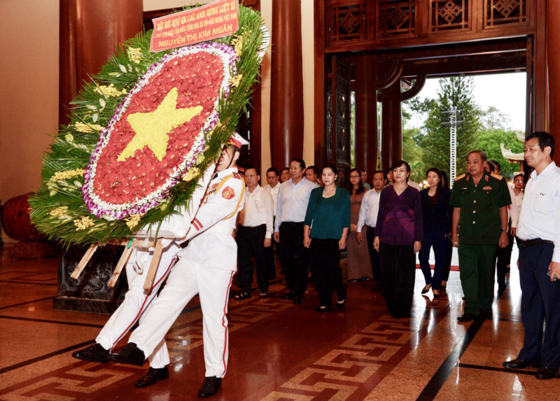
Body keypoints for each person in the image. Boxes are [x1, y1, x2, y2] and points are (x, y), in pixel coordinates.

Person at [106, 134, 248, 398]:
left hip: (216, 259)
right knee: (166, 301)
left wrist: (170, 231)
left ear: (236, 154)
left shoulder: (234, 183)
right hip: (191, 254)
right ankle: (138, 347)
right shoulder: (203, 181)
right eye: (214, 151)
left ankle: (214, 373)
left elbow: (204, 216)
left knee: (214, 318)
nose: (218, 157)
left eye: (224, 152)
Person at [71, 164, 216, 388]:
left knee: (139, 296)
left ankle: (103, 344)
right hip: (135, 243)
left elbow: (186, 211)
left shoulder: (189, 169)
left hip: (163, 246)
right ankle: (158, 366)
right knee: (145, 307)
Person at [503, 132, 560, 380]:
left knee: (553, 308)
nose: (526, 154)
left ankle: (551, 360)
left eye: (531, 149)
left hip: (548, 250)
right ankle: (530, 354)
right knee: (530, 306)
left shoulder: (557, 179)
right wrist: (521, 249)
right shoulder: (532, 179)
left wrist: (558, 258)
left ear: (547, 151)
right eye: (525, 149)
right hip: (527, 250)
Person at [450, 150, 511, 322]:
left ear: (484, 163)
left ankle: (485, 305)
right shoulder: (460, 183)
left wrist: (504, 232)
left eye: (475, 162)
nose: (471, 165)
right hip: (467, 236)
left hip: (488, 236)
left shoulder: (497, 182)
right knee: (467, 273)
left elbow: (503, 209)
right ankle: (471, 307)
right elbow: (456, 209)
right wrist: (455, 232)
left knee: (486, 271)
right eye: (469, 162)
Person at [374, 161, 423, 319]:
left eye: (402, 170)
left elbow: (419, 217)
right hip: (387, 237)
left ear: (408, 173)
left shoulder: (414, 193)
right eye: (395, 170)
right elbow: (381, 214)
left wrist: (418, 238)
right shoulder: (386, 192)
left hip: (407, 238)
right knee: (387, 273)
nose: (398, 173)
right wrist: (377, 235)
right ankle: (391, 305)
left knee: (405, 275)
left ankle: (403, 308)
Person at [304, 164, 350, 312]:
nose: (326, 177)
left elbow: (345, 217)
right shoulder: (315, 193)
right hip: (317, 236)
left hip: (334, 237)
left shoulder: (343, 194)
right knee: (319, 271)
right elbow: (308, 215)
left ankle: (340, 291)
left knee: (332, 269)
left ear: (335, 176)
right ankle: (324, 302)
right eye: (324, 175)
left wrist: (343, 236)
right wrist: (306, 234)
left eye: (329, 174)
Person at [274, 158, 318, 304]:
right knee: (285, 260)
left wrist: (310, 229)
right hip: (285, 227)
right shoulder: (283, 186)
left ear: (303, 170)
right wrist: (276, 228)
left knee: (302, 261)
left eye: (295, 168)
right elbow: (279, 208)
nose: (292, 171)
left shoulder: (312, 187)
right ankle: (292, 288)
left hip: (302, 227)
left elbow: (314, 210)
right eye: (290, 168)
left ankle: (299, 291)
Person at [235, 166, 273, 299]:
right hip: (244, 231)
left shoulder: (264, 193)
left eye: (252, 176)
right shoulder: (241, 193)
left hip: (259, 231)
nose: (249, 178)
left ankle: (263, 288)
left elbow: (269, 215)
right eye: (247, 176)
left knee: (261, 261)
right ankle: (245, 290)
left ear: (258, 177)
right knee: (244, 262)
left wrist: (268, 235)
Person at [418, 168, 452, 298]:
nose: (431, 179)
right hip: (425, 231)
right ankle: (428, 280)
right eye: (429, 176)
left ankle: (436, 286)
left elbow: (452, 212)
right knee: (422, 257)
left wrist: (449, 230)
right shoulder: (421, 194)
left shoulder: (447, 194)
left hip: (441, 231)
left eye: (434, 176)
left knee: (440, 260)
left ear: (439, 179)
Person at [490, 160, 520, 294]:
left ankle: (501, 282)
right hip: (489, 228)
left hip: (503, 227)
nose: (493, 173)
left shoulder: (505, 186)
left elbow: (512, 207)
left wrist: (513, 225)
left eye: (495, 170)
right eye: (491, 170)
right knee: (488, 258)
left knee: (502, 258)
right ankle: (487, 286)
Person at [357, 170, 385, 292]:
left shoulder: (389, 194)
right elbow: (362, 212)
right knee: (374, 258)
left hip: (385, 231)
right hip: (371, 230)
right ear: (372, 181)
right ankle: (378, 282)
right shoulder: (367, 194)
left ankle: (386, 284)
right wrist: (359, 229)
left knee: (384, 258)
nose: (377, 181)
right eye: (375, 179)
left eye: (380, 179)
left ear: (385, 180)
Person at [347, 168, 372, 282]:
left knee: (363, 249)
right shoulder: (346, 192)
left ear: (361, 178)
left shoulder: (367, 191)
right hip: (350, 223)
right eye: (351, 176)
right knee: (352, 250)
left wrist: (361, 225)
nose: (353, 179)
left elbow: (369, 209)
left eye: (356, 176)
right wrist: (348, 224)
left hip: (363, 223)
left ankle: (367, 273)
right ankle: (354, 275)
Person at [264, 167, 280, 279]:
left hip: (279, 219)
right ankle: (269, 273)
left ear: (277, 177)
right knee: (267, 247)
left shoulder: (282, 188)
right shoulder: (263, 189)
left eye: (273, 177)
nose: (270, 180)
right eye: (268, 177)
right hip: (267, 220)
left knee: (280, 248)